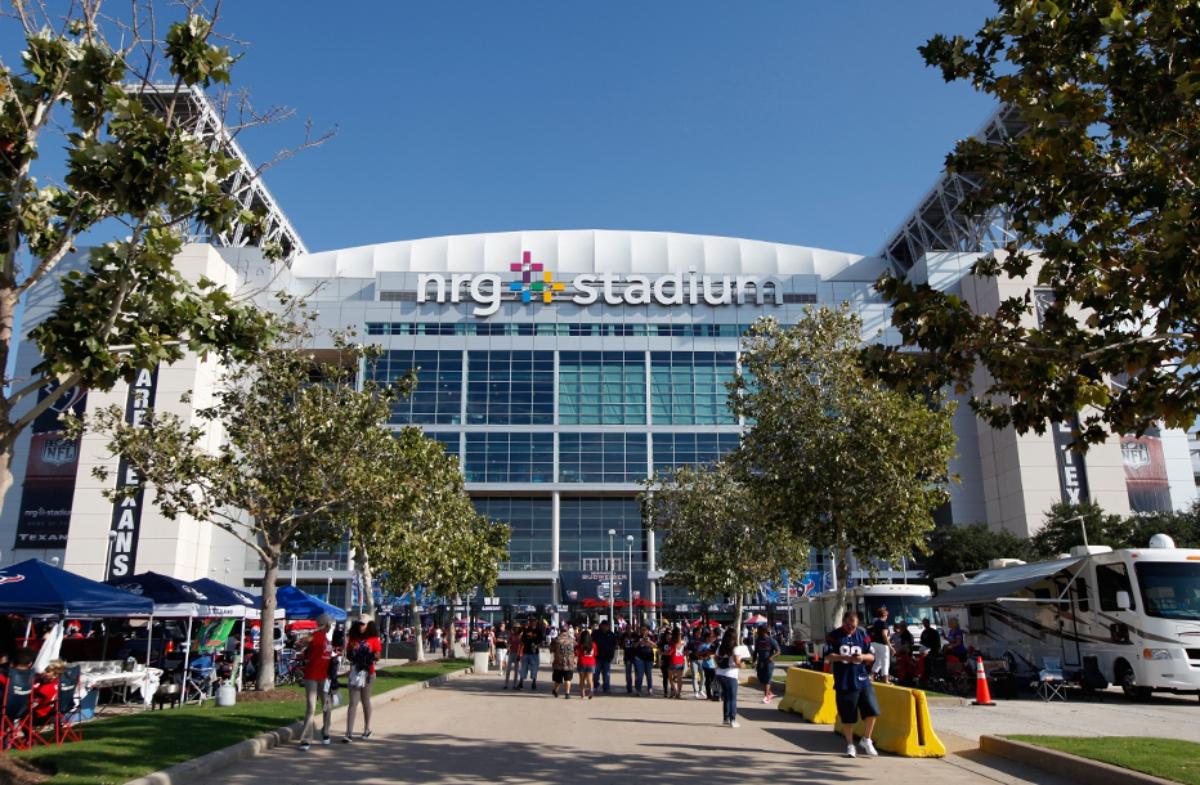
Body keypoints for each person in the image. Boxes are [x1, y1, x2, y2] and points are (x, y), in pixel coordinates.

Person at [825, 610, 879, 758]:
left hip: (862, 679)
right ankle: (850, 745)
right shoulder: (834, 636)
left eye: (854, 625)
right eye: (849, 625)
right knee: (848, 716)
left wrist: (862, 657)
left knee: (872, 710)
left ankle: (866, 739)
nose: (851, 628)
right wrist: (846, 657)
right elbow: (828, 656)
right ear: (844, 621)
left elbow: (872, 655)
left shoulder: (862, 635)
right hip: (844, 681)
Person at [298, 614, 335, 751]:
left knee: (327, 705)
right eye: (329, 623)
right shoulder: (314, 636)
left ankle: (326, 732)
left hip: (324, 677)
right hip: (312, 677)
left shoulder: (326, 639)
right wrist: (307, 639)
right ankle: (306, 738)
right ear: (325, 624)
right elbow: (301, 642)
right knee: (311, 707)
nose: (330, 626)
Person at [343, 618, 382, 742]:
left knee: (365, 701)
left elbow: (378, 656)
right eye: (359, 623)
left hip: (368, 673)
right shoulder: (353, 639)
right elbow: (349, 655)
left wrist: (371, 655)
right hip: (355, 673)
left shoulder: (374, 639)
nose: (361, 626)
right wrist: (353, 653)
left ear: (368, 625)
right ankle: (348, 733)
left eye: (363, 624)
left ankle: (367, 729)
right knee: (353, 703)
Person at [714, 628, 746, 727]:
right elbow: (737, 662)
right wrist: (742, 665)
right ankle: (733, 720)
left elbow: (715, 657)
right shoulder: (735, 648)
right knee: (732, 698)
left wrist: (719, 665)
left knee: (726, 698)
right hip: (730, 675)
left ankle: (726, 718)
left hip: (720, 674)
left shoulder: (720, 647)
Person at [752, 625, 781, 702]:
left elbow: (778, 651)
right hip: (760, 662)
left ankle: (766, 697)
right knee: (761, 678)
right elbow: (755, 652)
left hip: (769, 663)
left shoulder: (771, 640)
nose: (757, 632)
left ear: (763, 631)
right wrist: (754, 661)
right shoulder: (758, 640)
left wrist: (771, 657)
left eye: (759, 631)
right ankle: (769, 693)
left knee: (767, 679)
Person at [551, 625, 577, 698]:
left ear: (560, 630)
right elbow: (576, 650)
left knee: (558, 680)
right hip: (569, 664)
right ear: (567, 630)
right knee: (568, 679)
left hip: (558, 663)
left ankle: (555, 690)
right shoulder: (572, 640)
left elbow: (551, 650)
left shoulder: (556, 640)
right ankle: (567, 694)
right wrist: (574, 658)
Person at [869, 607, 892, 683]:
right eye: (887, 615)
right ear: (885, 615)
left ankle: (871, 676)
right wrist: (891, 647)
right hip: (882, 644)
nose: (887, 616)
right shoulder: (884, 623)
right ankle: (885, 679)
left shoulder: (876, 623)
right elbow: (884, 635)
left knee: (878, 661)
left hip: (874, 643)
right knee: (885, 661)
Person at [592, 620, 616, 695]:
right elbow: (591, 643)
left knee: (606, 675)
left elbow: (614, 645)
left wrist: (611, 655)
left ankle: (606, 688)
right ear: (601, 626)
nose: (605, 627)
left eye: (607, 626)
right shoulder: (596, 633)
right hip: (597, 657)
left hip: (607, 658)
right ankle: (595, 686)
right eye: (604, 625)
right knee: (595, 674)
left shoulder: (611, 634)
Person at [517, 622, 542, 690]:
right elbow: (522, 643)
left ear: (535, 622)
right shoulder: (525, 631)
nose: (531, 623)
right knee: (523, 668)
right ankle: (521, 683)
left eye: (533, 621)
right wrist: (519, 653)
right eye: (530, 621)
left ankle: (534, 682)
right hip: (526, 652)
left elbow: (541, 642)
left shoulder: (538, 631)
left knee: (534, 668)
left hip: (534, 653)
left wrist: (536, 645)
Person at [633, 626, 655, 695]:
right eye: (642, 630)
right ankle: (638, 690)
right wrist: (640, 642)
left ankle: (650, 688)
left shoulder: (651, 637)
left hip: (649, 658)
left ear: (648, 631)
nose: (644, 631)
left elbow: (655, 645)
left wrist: (649, 641)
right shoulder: (638, 637)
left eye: (645, 630)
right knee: (640, 674)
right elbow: (634, 646)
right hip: (639, 658)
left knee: (649, 674)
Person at [576, 629, 597, 699]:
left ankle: (582, 692)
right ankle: (591, 690)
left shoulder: (580, 645)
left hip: (582, 662)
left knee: (582, 679)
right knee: (590, 679)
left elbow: (577, 653)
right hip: (591, 663)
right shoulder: (593, 644)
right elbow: (595, 654)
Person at [503, 623, 523, 689]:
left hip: (518, 654)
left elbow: (522, 646)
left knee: (516, 671)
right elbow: (508, 643)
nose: (516, 629)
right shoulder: (511, 636)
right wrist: (507, 645)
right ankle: (506, 684)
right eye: (515, 628)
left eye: (517, 628)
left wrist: (519, 654)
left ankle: (515, 685)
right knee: (508, 669)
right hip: (511, 653)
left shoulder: (520, 636)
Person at [621, 624, 639, 693]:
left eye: (630, 628)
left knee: (637, 673)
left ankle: (637, 687)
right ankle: (629, 688)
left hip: (635, 655)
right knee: (628, 673)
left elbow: (638, 645)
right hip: (627, 656)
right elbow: (621, 646)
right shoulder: (623, 635)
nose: (628, 629)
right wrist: (624, 641)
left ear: (632, 628)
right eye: (627, 628)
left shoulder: (635, 635)